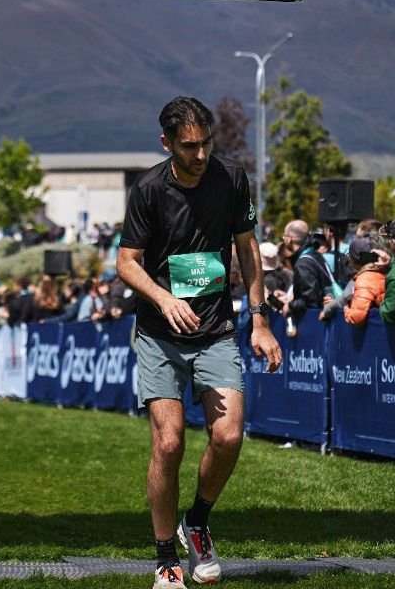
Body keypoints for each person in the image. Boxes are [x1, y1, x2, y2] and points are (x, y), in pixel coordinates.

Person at [116, 96, 282, 589]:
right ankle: (166, 555)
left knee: (229, 436)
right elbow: (126, 262)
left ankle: (199, 520)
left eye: (206, 142)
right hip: (160, 334)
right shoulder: (148, 188)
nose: (200, 154)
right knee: (168, 443)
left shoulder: (231, 179)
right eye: (189, 146)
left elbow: (248, 250)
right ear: (166, 142)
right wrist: (163, 298)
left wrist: (260, 319)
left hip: (215, 329)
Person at [341, 237, 388, 326]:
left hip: (374, 333)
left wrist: (345, 309)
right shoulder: (381, 271)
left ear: (353, 259)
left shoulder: (365, 279)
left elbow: (356, 318)